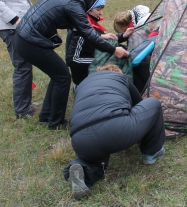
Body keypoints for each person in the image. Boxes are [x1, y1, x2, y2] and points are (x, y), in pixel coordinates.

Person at [14, 0, 129, 130]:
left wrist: (107, 37)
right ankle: (56, 123)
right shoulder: (74, 3)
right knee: (63, 77)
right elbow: (87, 33)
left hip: (24, 38)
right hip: (30, 41)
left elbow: (84, 31)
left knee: (57, 75)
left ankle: (47, 115)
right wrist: (114, 50)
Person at [63, 65, 166, 200]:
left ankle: (83, 170)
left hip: (80, 138)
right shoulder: (121, 78)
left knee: (96, 162)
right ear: (116, 71)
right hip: (116, 129)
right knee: (153, 103)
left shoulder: (82, 85)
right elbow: (138, 104)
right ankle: (151, 153)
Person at [66, 0, 134, 86]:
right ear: (87, 10)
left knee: (121, 50)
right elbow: (72, 60)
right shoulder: (80, 31)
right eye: (98, 10)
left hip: (95, 67)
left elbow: (103, 41)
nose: (101, 13)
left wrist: (123, 36)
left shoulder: (90, 25)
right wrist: (100, 60)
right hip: (84, 76)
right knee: (118, 56)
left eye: (101, 9)